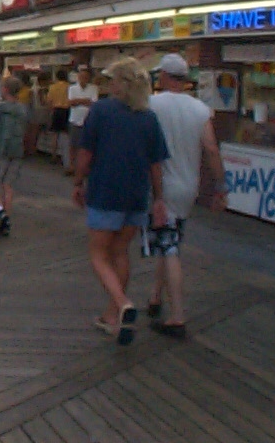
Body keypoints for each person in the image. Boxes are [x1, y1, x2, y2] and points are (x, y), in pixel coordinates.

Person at [72, 57, 169, 347]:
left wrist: (78, 181)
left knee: (99, 254)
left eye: (112, 80)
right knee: (120, 252)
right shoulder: (148, 118)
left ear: (121, 84)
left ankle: (123, 303)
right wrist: (159, 198)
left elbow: (86, 153)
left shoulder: (101, 111)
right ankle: (112, 316)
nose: (109, 85)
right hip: (136, 195)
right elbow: (156, 164)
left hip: (106, 190)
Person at [145, 54, 227, 339]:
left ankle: (177, 317)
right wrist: (220, 187)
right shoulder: (200, 109)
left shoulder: (152, 105)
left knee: (170, 249)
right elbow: (211, 149)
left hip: (160, 186)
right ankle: (155, 297)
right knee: (168, 238)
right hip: (189, 187)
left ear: (165, 76)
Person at [0, 76, 30, 236]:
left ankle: (0, 211)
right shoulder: (23, 109)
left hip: (0, 148)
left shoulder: (0, 108)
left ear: (5, 89)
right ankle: (6, 220)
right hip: (16, 149)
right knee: (8, 185)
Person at [66, 65, 100, 176]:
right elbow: (71, 103)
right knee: (73, 145)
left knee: (86, 146)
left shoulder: (94, 88)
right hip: (75, 120)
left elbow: (93, 103)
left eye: (86, 77)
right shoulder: (72, 88)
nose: (83, 79)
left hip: (88, 121)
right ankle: (72, 165)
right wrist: (85, 101)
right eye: (81, 76)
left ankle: (84, 167)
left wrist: (78, 101)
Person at [46, 68, 71, 162]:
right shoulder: (69, 87)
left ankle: (53, 155)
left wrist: (50, 112)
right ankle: (66, 156)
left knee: (55, 134)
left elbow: (49, 101)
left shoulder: (52, 87)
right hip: (66, 110)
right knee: (66, 134)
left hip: (56, 110)